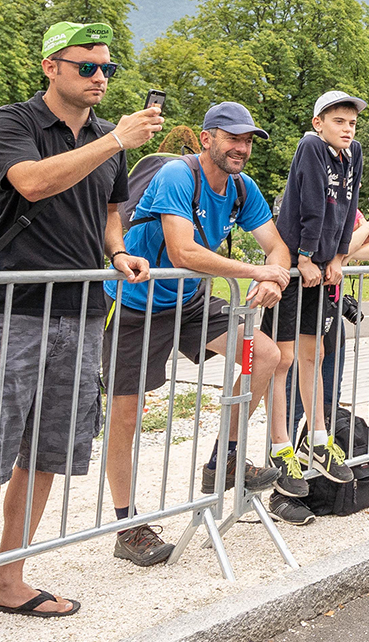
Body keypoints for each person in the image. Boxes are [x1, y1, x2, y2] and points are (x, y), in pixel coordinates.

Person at [0, 22, 160, 640]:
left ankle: (8, 580)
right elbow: (32, 183)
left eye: (107, 69)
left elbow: (108, 213)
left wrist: (119, 252)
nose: (100, 78)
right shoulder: (14, 123)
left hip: (80, 311)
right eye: (87, 68)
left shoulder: (109, 139)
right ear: (52, 67)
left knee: (48, 451)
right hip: (15, 308)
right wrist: (116, 140)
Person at [103, 102, 294, 537]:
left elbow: (276, 246)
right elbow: (182, 252)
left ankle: (222, 459)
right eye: (233, 138)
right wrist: (256, 271)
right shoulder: (178, 175)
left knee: (263, 354)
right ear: (207, 139)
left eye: (247, 140)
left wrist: (275, 277)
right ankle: (126, 524)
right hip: (135, 301)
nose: (242, 148)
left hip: (189, 300)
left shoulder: (243, 188)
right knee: (127, 416)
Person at [261, 90, 363, 526]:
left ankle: (319, 438)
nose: (346, 127)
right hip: (296, 261)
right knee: (281, 357)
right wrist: (303, 255)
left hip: (324, 266)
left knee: (315, 352)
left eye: (352, 122)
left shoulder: (352, 154)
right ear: (319, 122)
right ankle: (280, 445)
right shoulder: (310, 147)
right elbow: (306, 201)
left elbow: (349, 207)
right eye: (337, 119)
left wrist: (338, 257)